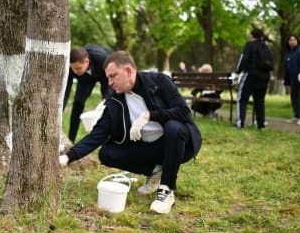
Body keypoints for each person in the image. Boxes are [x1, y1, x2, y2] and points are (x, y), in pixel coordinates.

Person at [59, 51, 202, 214]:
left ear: (128, 71)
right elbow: (97, 135)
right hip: (150, 148)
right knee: (106, 153)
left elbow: (184, 112)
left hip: (181, 143)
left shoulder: (158, 81)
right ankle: (156, 172)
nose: (110, 83)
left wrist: (150, 116)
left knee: (173, 127)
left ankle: (167, 190)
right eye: (107, 78)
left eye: (113, 76)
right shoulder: (115, 99)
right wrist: (67, 157)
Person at [63, 44, 112, 142]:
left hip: (104, 75)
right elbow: (66, 90)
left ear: (86, 62)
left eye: (78, 68)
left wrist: (105, 99)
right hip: (85, 78)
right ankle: (71, 140)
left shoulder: (102, 59)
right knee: (77, 104)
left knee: (107, 105)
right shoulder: (71, 68)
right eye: (72, 68)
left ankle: (106, 139)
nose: (74, 72)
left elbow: (110, 82)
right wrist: (60, 110)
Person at [235, 28, 273, 129]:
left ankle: (240, 123)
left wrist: (238, 72)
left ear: (252, 35)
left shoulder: (249, 45)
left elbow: (243, 59)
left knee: (242, 99)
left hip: (251, 74)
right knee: (260, 100)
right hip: (265, 76)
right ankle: (261, 125)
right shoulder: (265, 46)